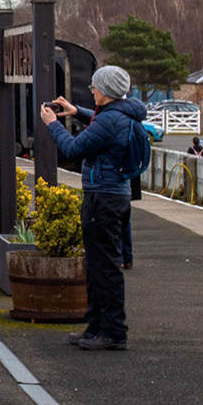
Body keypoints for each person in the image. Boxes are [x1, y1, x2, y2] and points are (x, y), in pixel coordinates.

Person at [38, 65, 147, 351]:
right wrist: (76, 111)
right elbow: (102, 122)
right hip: (115, 196)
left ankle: (113, 331)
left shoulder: (110, 120)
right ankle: (97, 327)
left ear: (107, 91)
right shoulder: (122, 113)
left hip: (103, 199)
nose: (93, 91)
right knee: (99, 265)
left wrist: (52, 124)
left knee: (105, 267)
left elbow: (74, 148)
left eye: (95, 87)